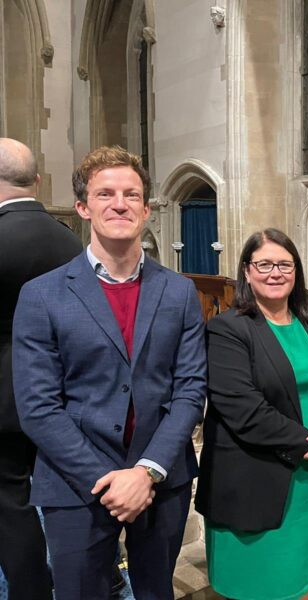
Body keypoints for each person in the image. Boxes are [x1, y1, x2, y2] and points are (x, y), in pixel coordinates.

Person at [12, 146, 206, 600]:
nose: (119, 203)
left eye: (131, 194)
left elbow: (191, 388)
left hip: (161, 479)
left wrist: (146, 472)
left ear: (146, 208)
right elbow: (38, 406)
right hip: (74, 481)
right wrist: (109, 479)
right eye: (105, 193)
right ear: (83, 207)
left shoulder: (178, 292)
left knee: (156, 592)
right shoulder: (42, 296)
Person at [195, 228, 308, 600]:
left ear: (296, 271)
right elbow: (242, 408)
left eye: (284, 264)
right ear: (247, 271)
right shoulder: (228, 329)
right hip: (258, 478)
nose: (275, 273)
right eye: (264, 264)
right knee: (259, 587)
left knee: (300, 584)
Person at [0, 138, 82, 600]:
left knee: (9, 500)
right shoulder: (70, 240)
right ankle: (97, 574)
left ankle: (31, 589)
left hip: (5, 397)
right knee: (67, 487)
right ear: (36, 181)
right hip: (64, 390)